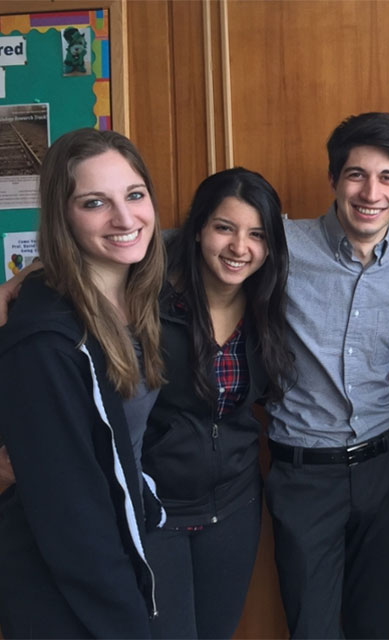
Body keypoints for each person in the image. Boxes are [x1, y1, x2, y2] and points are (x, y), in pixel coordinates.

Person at [265, 112, 389, 639]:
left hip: (385, 467)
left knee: (373, 624)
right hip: (303, 473)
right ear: (334, 179)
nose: (371, 192)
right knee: (312, 628)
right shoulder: (282, 245)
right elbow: (180, 249)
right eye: (357, 174)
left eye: (388, 178)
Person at [0, 128, 165, 637]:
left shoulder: (136, 292)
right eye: (95, 203)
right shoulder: (47, 339)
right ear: (62, 216)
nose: (124, 218)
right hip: (64, 586)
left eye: (135, 195)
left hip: (117, 548)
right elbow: (72, 515)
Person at [140, 168, 294, 638]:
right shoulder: (149, 300)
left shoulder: (267, 307)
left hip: (234, 506)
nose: (239, 248)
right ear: (199, 229)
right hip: (156, 511)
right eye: (224, 228)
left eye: (256, 235)